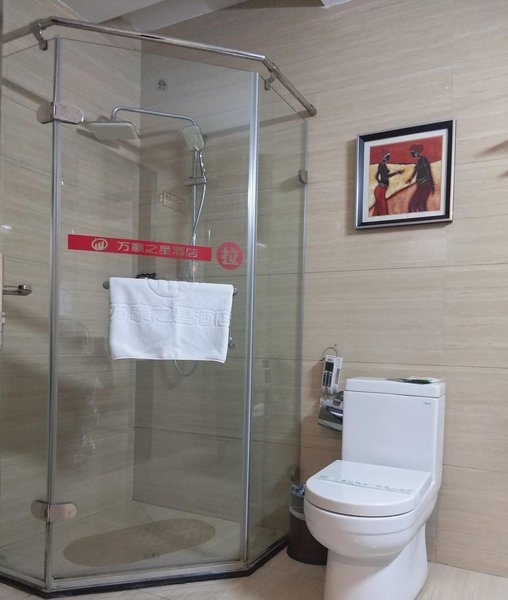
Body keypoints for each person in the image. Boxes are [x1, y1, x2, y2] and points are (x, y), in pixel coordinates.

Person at [405, 144, 435, 212]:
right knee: (419, 203)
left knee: (416, 204)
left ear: (416, 152)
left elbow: (428, 171)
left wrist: (432, 184)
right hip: (422, 184)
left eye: (412, 153)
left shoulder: (423, 159)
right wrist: (410, 179)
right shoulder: (420, 160)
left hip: (425, 184)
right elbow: (416, 170)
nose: (411, 154)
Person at [373, 149, 402, 216]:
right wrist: (396, 173)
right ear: (385, 157)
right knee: (383, 208)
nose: (388, 158)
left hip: (380, 188)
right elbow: (385, 176)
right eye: (388, 157)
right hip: (381, 189)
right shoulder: (382, 165)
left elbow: (376, 176)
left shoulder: (381, 165)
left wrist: (380, 183)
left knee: (378, 209)